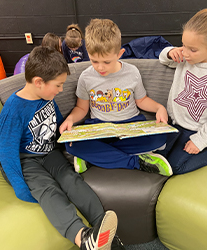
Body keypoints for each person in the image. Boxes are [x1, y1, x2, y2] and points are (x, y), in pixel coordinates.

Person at [0, 46, 123, 250]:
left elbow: (56, 121)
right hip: (25, 160)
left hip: (49, 153)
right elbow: (6, 151)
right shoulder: (14, 109)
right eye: (58, 85)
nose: (61, 90)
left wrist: (67, 134)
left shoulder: (46, 97)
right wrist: (20, 188)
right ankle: (83, 238)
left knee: (72, 181)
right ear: (39, 82)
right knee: (50, 191)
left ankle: (104, 231)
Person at [59, 18, 172, 176]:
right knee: (71, 145)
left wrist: (159, 108)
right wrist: (70, 119)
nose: (100, 67)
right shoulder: (86, 77)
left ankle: (94, 156)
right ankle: (136, 162)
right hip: (99, 128)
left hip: (131, 125)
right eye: (94, 61)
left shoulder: (132, 72)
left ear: (120, 54)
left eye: (106, 61)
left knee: (160, 138)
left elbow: (141, 100)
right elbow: (81, 108)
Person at [157, 3, 207, 175]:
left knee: (176, 167)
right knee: (158, 157)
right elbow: (163, 58)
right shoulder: (187, 58)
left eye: (192, 49)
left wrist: (200, 140)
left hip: (198, 130)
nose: (185, 52)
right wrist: (171, 51)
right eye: (183, 45)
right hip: (175, 125)